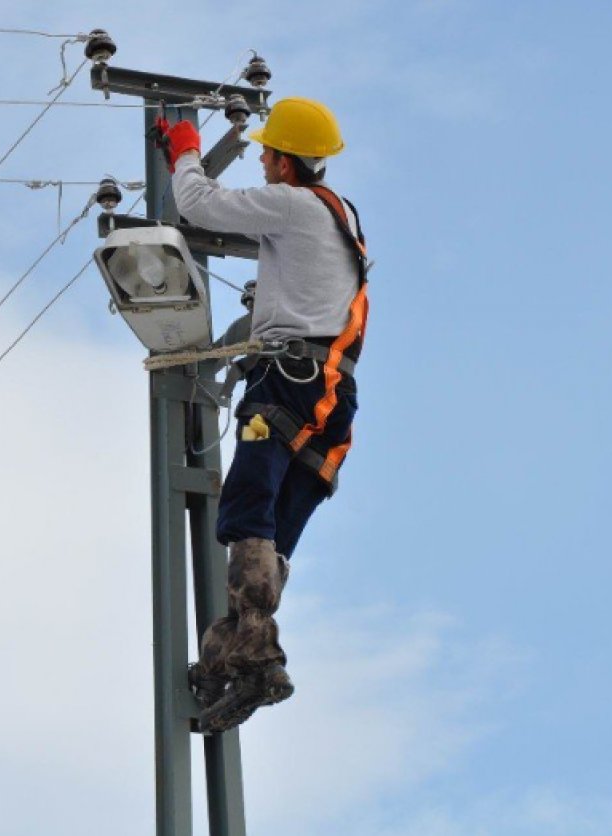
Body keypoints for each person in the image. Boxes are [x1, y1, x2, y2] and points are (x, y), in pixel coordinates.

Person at [159, 97, 369, 733]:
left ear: (282, 160)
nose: (263, 161)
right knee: (271, 532)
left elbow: (198, 205)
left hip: (289, 382)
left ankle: (255, 656)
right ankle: (231, 654)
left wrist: (186, 149)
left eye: (267, 153)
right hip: (332, 394)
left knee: (247, 509)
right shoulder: (339, 214)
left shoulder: (291, 205)